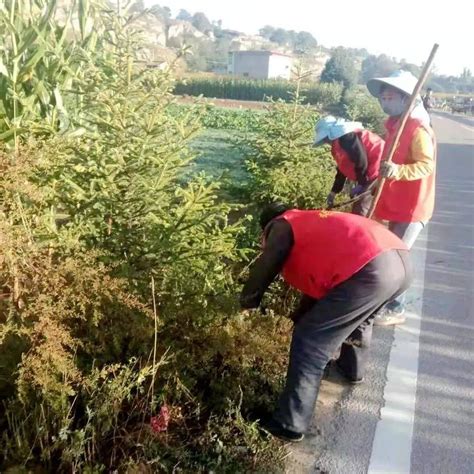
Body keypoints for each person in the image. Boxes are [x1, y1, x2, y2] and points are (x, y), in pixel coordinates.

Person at [240, 203, 412, 442]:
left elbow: (268, 262)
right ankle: (350, 368)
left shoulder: (282, 225)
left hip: (372, 269)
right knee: (359, 319)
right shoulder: (311, 222)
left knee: (310, 341)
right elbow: (322, 289)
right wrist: (297, 318)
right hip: (399, 262)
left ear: (266, 229)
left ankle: (289, 423)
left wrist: (247, 302)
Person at [367, 70, 436, 326]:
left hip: (413, 206)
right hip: (396, 202)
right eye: (382, 98)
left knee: (397, 256)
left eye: (389, 97)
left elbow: (425, 165)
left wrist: (398, 171)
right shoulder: (394, 125)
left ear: (406, 99)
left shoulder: (419, 129)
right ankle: (385, 302)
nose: (385, 102)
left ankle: (397, 308)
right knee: (391, 252)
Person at [314, 116, 385, 216]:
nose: (326, 142)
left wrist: (361, 183)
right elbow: (342, 169)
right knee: (359, 203)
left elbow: (361, 159)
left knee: (361, 206)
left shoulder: (347, 137)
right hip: (368, 171)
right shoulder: (337, 145)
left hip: (377, 167)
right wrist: (334, 191)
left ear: (330, 134)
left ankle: (360, 228)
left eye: (325, 138)